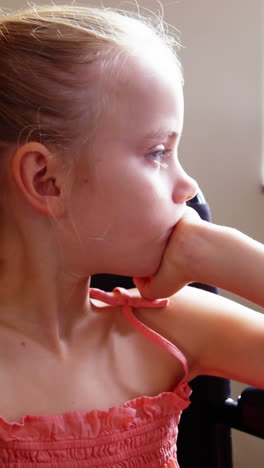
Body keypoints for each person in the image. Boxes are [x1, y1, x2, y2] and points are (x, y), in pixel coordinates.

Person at [0, 4, 264, 467]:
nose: (189, 186)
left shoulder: (169, 327)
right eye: (158, 152)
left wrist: (227, 255)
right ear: (47, 180)